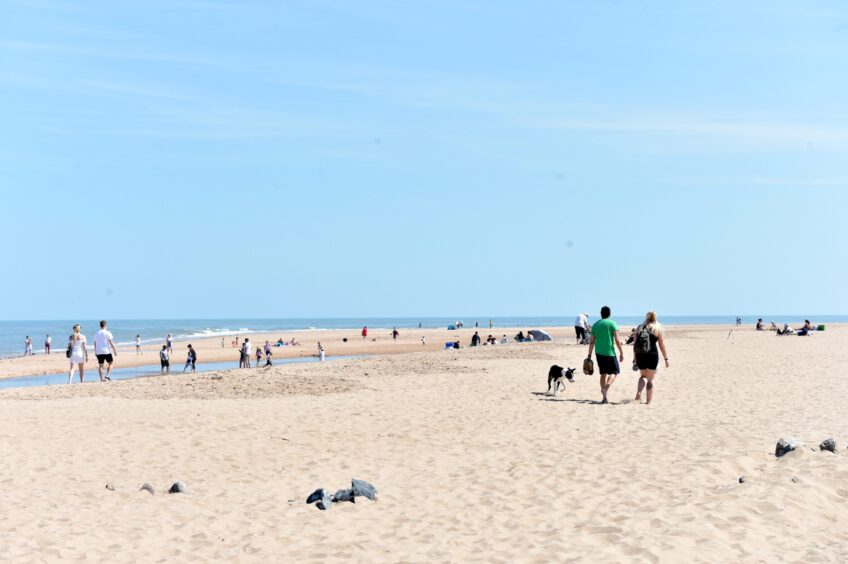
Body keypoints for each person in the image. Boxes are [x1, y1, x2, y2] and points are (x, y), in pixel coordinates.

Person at [586, 306, 624, 404]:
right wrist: (621, 352)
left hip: (599, 353)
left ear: (601, 314)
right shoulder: (612, 323)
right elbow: (617, 339)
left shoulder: (595, 325)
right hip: (610, 353)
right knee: (614, 372)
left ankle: (604, 398)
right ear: (609, 314)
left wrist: (589, 355)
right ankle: (606, 388)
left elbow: (592, 342)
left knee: (603, 374)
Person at [632, 311, 670, 405]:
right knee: (650, 380)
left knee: (642, 376)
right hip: (652, 355)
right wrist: (666, 359)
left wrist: (634, 358)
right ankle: (648, 401)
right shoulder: (657, 328)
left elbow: (635, 345)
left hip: (640, 355)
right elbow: (662, 345)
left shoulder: (639, 327)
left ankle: (639, 392)